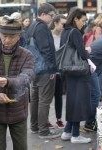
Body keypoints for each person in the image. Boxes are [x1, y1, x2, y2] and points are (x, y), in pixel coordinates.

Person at [0, 15, 34, 150]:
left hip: (18, 110)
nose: (7, 40)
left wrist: (8, 82)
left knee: (21, 147)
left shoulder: (26, 55)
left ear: (18, 36)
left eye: (11, 36)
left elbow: (27, 77)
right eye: (4, 35)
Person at [60, 8, 94, 144]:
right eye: (83, 20)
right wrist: (88, 51)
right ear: (76, 19)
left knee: (72, 101)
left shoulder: (66, 31)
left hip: (69, 70)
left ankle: (67, 131)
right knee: (79, 102)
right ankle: (75, 134)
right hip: (78, 71)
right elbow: (81, 53)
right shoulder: (75, 32)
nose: (84, 24)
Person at [28, 3, 60, 139]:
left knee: (35, 99)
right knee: (44, 100)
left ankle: (35, 127)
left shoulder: (32, 26)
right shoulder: (42, 27)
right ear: (43, 14)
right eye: (51, 16)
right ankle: (43, 131)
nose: (52, 19)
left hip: (34, 68)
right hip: (45, 69)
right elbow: (46, 50)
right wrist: (53, 69)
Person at [50, 14, 66, 128]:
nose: (64, 26)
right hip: (50, 70)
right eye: (62, 24)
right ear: (55, 23)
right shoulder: (48, 35)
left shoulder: (65, 35)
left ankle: (59, 118)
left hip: (61, 70)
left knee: (59, 95)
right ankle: (45, 120)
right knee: (47, 96)